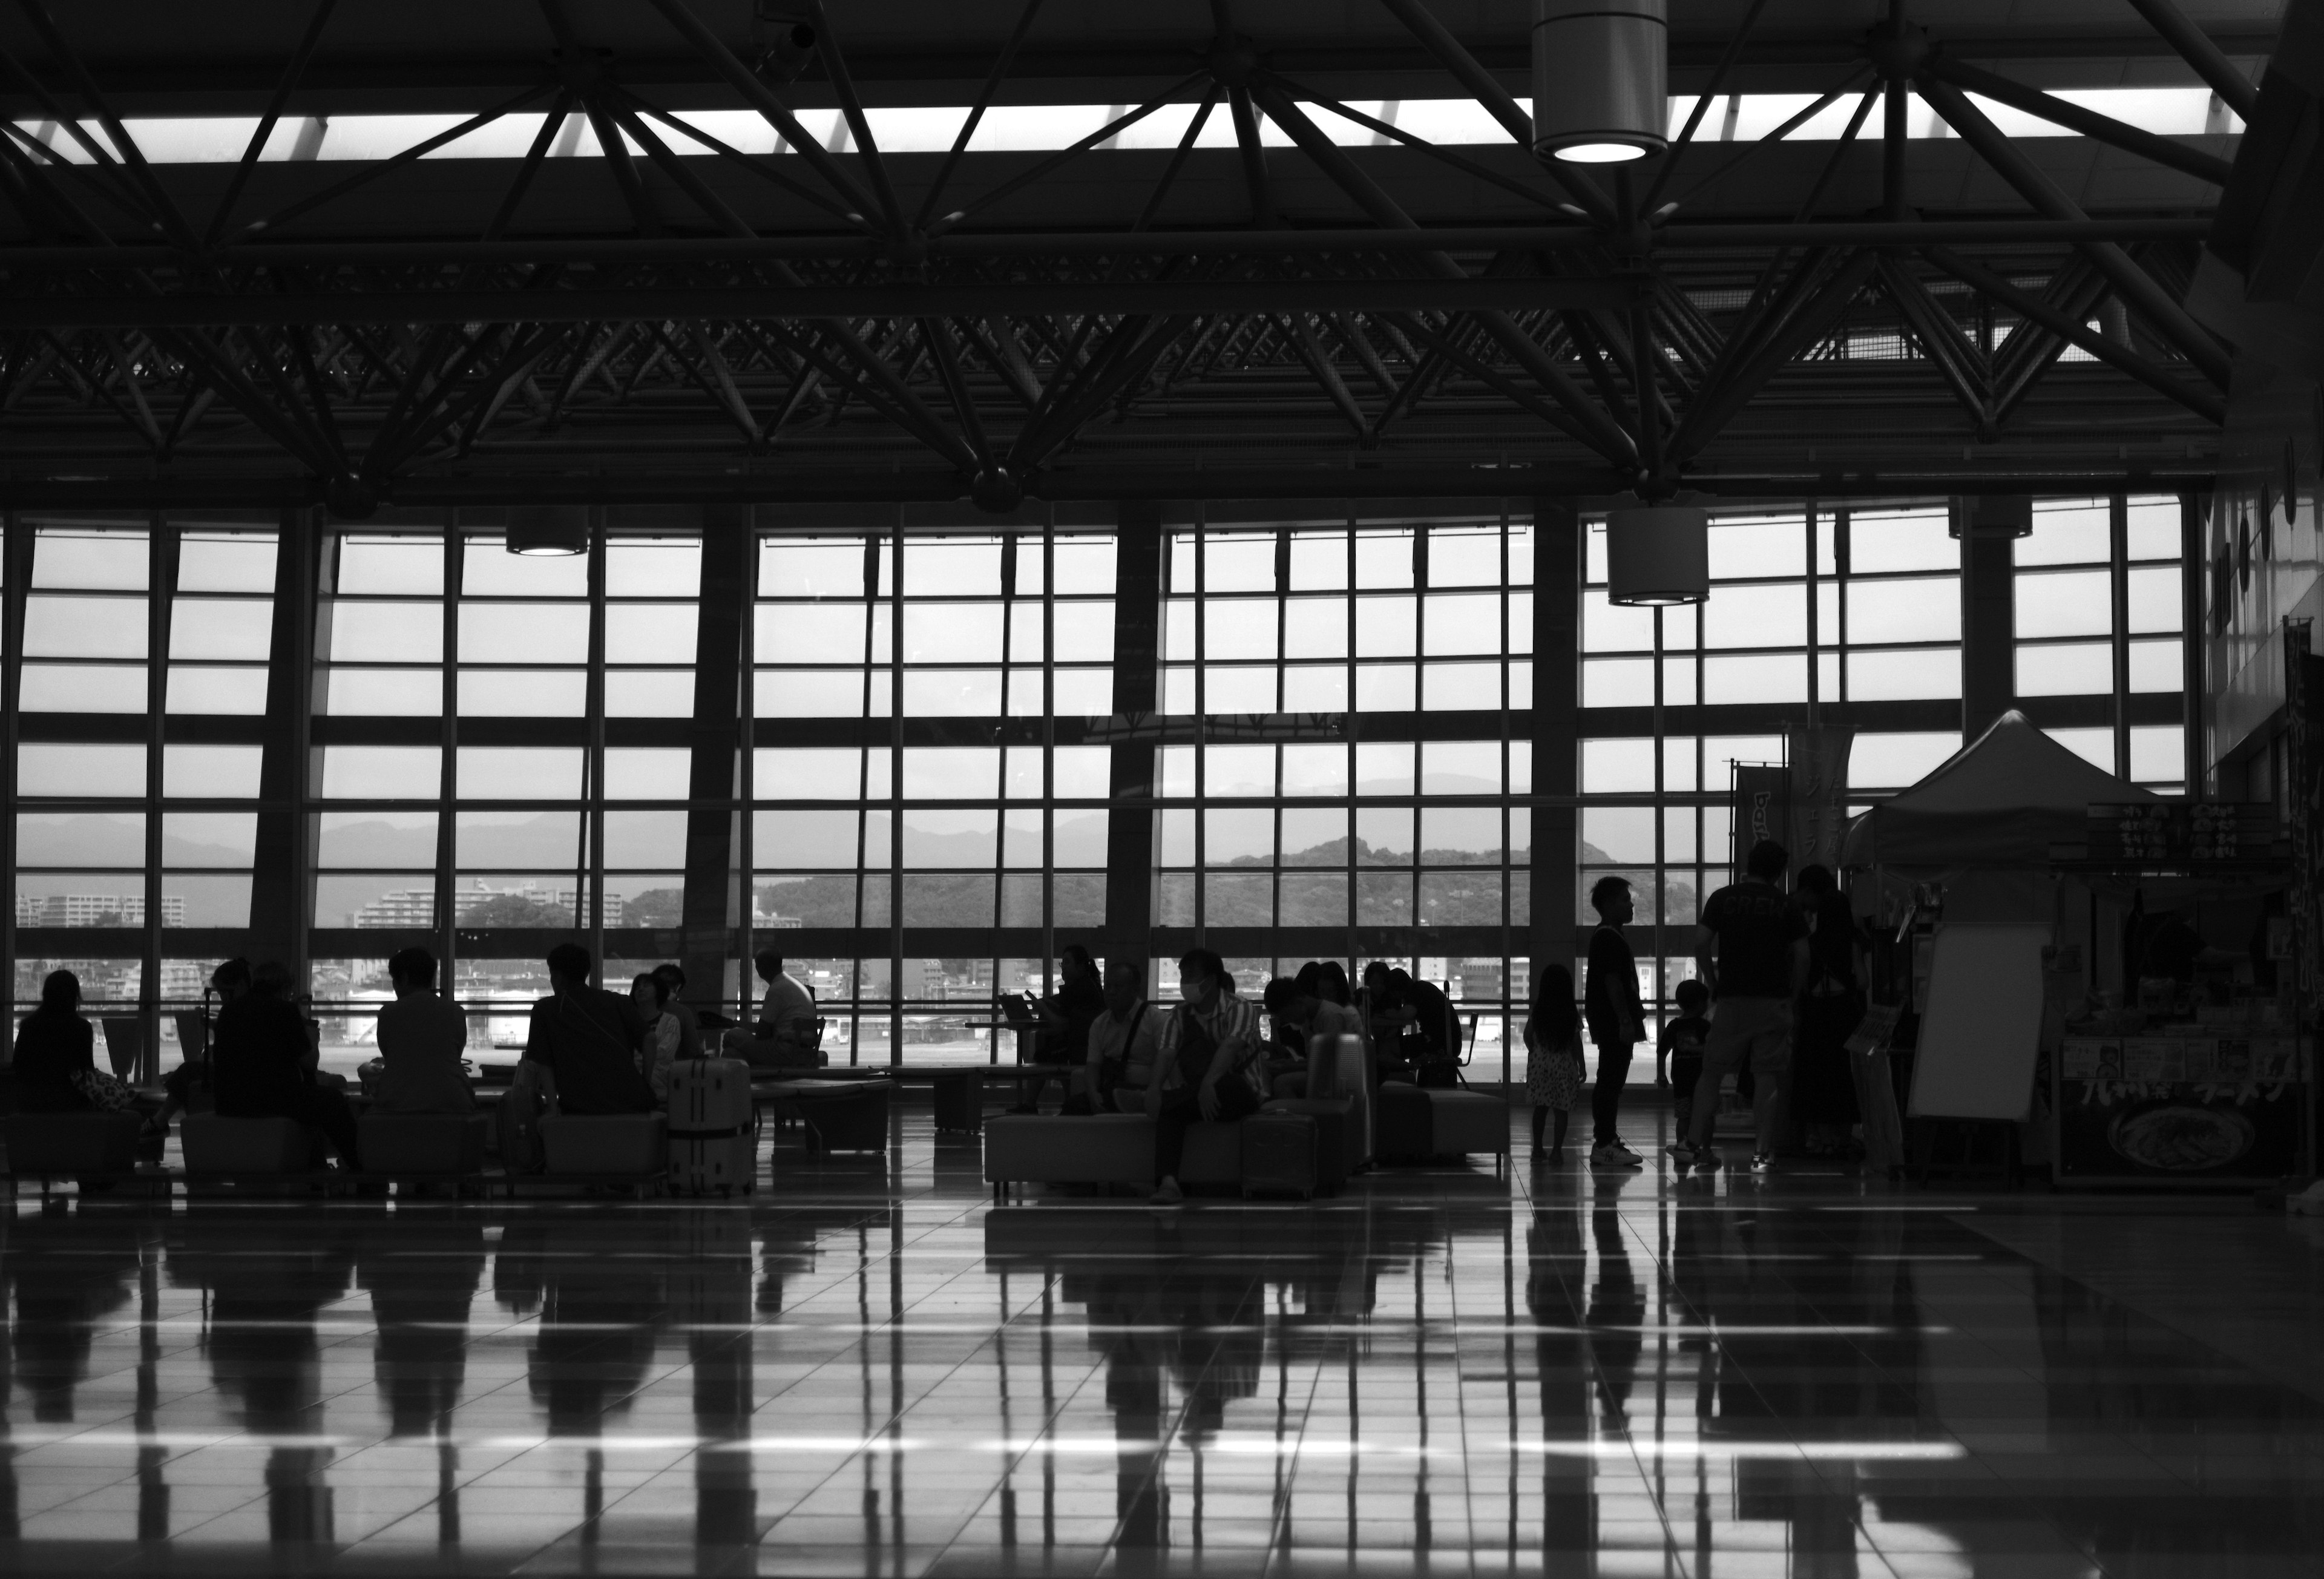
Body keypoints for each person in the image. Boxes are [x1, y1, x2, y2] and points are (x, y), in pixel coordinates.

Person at [1671, 839, 1810, 1174]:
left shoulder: (1722, 898)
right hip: (1773, 1002)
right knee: (1767, 1078)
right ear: (1779, 872)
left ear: (1749, 864)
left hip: (1732, 1000)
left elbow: (1701, 944)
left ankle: (1689, 1145)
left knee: (1712, 1072)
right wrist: (1793, 996)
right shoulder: (1786, 905)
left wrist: (1713, 982)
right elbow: (1804, 955)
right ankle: (1763, 1155)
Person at [214, 960, 362, 1170]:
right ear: (285, 989)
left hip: (230, 1101)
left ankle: (316, 1164)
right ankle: (359, 1168)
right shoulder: (285, 1011)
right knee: (332, 1100)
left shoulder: (229, 1011)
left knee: (314, 1099)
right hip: (272, 1100)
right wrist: (313, 1040)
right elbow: (309, 1063)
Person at [1148, 948, 1268, 1206]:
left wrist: (1208, 1083)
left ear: (1211, 980)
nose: (1184, 983)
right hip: (1201, 1096)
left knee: (1230, 1083)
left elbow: (1231, 1047)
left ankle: (1174, 1098)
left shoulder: (1240, 1008)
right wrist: (1154, 1089)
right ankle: (1168, 1184)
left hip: (1241, 1093)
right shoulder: (1179, 1015)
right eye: (1182, 976)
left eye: (1190, 976)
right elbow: (1166, 1052)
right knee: (1169, 1110)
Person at [520, 943, 655, 1115]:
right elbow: (650, 1039)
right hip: (633, 1102)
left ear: (558, 976)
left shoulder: (546, 1009)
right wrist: (645, 1084)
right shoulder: (618, 1001)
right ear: (587, 972)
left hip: (581, 1105)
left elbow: (544, 1064)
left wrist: (553, 1109)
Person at [1791, 865, 1864, 1157]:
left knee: (1815, 1077)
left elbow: (1802, 982)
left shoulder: (1810, 943)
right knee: (1844, 1079)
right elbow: (1864, 981)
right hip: (1846, 1015)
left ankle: (1821, 1139)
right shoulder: (1852, 942)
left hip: (1816, 1017)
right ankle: (1844, 1139)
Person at [1582, 876, 1646, 1167]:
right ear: (1608, 905)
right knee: (1610, 1082)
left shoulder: (1610, 935)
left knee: (1611, 1081)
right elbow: (1613, 982)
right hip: (1613, 1022)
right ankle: (1604, 1143)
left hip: (1611, 1021)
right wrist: (1624, 1020)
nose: (1631, 904)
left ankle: (1606, 1140)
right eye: (1624, 899)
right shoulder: (1608, 937)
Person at [10, 970, 137, 1114]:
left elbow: (18, 1067)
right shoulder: (82, 1028)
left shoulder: (28, 1025)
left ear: (46, 994)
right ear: (75, 996)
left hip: (32, 1100)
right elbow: (86, 1072)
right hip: (70, 1100)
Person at [372, 947, 476, 1115]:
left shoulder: (388, 1014)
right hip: (456, 1105)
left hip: (398, 1107)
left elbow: (389, 1056)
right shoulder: (456, 1012)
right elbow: (455, 1055)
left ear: (403, 978)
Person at [1013, 944, 1105, 1114]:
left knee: (1044, 1057)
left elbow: (1063, 1024)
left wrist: (1043, 1008)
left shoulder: (1077, 991)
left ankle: (1031, 1105)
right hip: (1083, 1046)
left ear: (1081, 966)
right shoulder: (1092, 987)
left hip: (1078, 1048)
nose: (1064, 968)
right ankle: (1067, 1102)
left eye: (1067, 963)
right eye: (1063, 963)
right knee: (1054, 1055)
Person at [1080, 957, 1163, 1114]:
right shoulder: (1100, 1024)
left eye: (1118, 987)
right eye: (1108, 987)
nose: (1111, 992)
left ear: (1135, 990)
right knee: (1074, 1107)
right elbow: (1093, 1066)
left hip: (1147, 1093)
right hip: (1110, 1088)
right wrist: (1093, 1093)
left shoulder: (1156, 1020)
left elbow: (1166, 1065)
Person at [1262, 974, 1364, 1097]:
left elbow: (1327, 1065)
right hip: (1330, 1073)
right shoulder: (1311, 1019)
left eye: (1287, 1015)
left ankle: (1297, 1116)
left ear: (1298, 1002)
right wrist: (1288, 1064)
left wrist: (1286, 1067)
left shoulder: (1330, 1016)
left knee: (1282, 1083)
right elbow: (1317, 1062)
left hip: (1340, 1078)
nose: (1289, 1021)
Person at [1524, 962, 1584, 1163]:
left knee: (1540, 1109)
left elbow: (1527, 1035)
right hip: (1564, 1065)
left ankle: (1537, 1149)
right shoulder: (1571, 1013)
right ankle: (1557, 1151)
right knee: (1561, 1111)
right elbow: (1576, 1042)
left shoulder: (1538, 1010)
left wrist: (1534, 1050)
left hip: (1540, 1064)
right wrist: (1581, 1065)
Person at [723, 950, 818, 1069]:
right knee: (731, 1054)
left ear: (763, 967)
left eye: (757, 964)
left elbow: (762, 1033)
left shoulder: (777, 989)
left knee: (731, 1035)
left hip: (784, 1051)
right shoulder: (795, 985)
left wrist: (741, 1027)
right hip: (804, 1052)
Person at [1659, 979, 1712, 1143]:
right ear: (1700, 1003)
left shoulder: (1674, 1026)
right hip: (1703, 1078)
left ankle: (1682, 1149)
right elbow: (1712, 1050)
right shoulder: (1705, 1026)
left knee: (1684, 1117)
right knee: (1706, 1116)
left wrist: (1661, 1074)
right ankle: (1705, 1152)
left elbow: (1662, 1052)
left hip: (1681, 1079)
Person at [631, 972, 681, 1104]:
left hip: (660, 1076)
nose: (641, 989)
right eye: (637, 987)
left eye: (646, 986)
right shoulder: (628, 1021)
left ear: (658, 991)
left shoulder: (671, 1021)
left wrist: (636, 1062)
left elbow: (665, 1054)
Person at [649, 962, 704, 1063]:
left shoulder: (639, 1007)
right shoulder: (683, 1012)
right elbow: (694, 1050)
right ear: (678, 988)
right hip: (675, 1072)